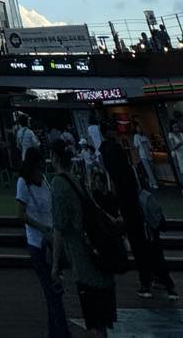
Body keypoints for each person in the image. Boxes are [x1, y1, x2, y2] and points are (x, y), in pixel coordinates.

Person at [48, 139, 117, 338]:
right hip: (97, 253)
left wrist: (55, 265)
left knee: (93, 321)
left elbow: (59, 226)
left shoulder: (59, 183)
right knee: (100, 322)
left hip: (83, 259)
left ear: (54, 158)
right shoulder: (77, 180)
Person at [16, 148, 69, 338]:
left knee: (53, 294)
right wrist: (42, 228)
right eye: (39, 164)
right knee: (53, 294)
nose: (42, 167)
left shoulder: (45, 181)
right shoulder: (23, 183)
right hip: (38, 242)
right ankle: (62, 334)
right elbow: (21, 214)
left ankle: (55, 333)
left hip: (52, 241)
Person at [100, 124, 155, 298]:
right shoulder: (125, 170)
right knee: (143, 242)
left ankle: (147, 279)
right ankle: (155, 276)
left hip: (128, 207)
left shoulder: (116, 172)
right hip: (133, 207)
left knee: (138, 242)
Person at [138, 183, 179, 299]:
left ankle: (147, 284)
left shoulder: (138, 197)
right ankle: (167, 285)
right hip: (152, 231)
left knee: (146, 258)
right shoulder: (145, 196)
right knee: (158, 258)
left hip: (146, 232)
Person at [131, 122, 157, 191]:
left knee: (152, 168)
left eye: (140, 128)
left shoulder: (144, 136)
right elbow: (136, 147)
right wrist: (137, 157)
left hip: (149, 155)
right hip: (143, 156)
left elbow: (150, 146)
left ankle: (151, 181)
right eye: (138, 128)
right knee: (148, 170)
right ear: (136, 129)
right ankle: (154, 183)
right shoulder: (136, 136)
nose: (139, 129)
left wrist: (152, 152)